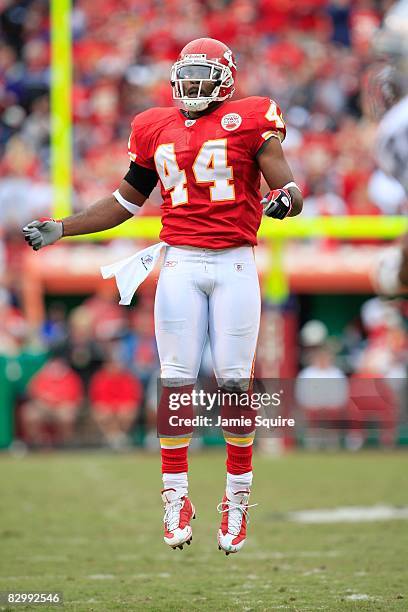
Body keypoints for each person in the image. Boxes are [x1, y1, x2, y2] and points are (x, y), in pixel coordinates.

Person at [22, 38, 303, 554]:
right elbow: (124, 202)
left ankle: (237, 499)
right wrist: (62, 228)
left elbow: (287, 186)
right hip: (180, 262)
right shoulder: (154, 126)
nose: (192, 84)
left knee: (236, 382)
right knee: (174, 381)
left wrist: (286, 200)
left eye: (203, 74)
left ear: (225, 79)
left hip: (235, 262)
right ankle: (176, 496)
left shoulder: (252, 118)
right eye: (186, 74)